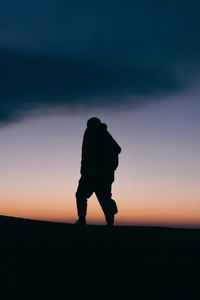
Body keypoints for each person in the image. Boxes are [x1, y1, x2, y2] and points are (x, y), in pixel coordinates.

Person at [75, 117, 121, 226]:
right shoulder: (92, 133)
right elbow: (86, 155)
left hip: (98, 174)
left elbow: (117, 149)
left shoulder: (101, 132)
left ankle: (108, 222)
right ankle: (83, 220)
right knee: (84, 195)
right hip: (91, 173)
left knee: (102, 199)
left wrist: (109, 167)